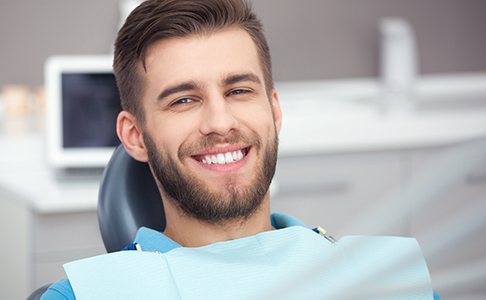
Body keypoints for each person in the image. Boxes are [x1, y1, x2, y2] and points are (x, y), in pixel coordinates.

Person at [41, 0, 440, 299]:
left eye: (239, 90)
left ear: (274, 108)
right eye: (183, 100)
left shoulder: (388, 281)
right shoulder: (85, 295)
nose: (220, 122)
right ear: (135, 136)